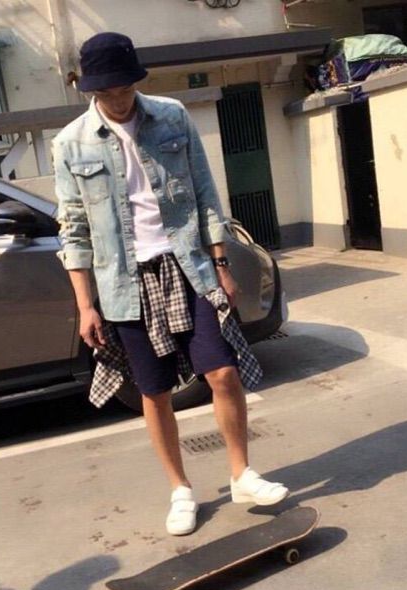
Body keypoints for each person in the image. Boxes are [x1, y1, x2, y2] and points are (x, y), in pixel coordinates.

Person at [53, 32, 288, 536]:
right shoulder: (70, 143)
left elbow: (206, 195)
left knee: (221, 371)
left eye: (125, 88)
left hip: (187, 266)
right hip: (125, 282)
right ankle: (180, 489)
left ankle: (242, 474)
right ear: (89, 89)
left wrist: (221, 265)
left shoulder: (172, 116)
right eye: (107, 91)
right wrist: (86, 306)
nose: (119, 99)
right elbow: (73, 230)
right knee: (155, 390)